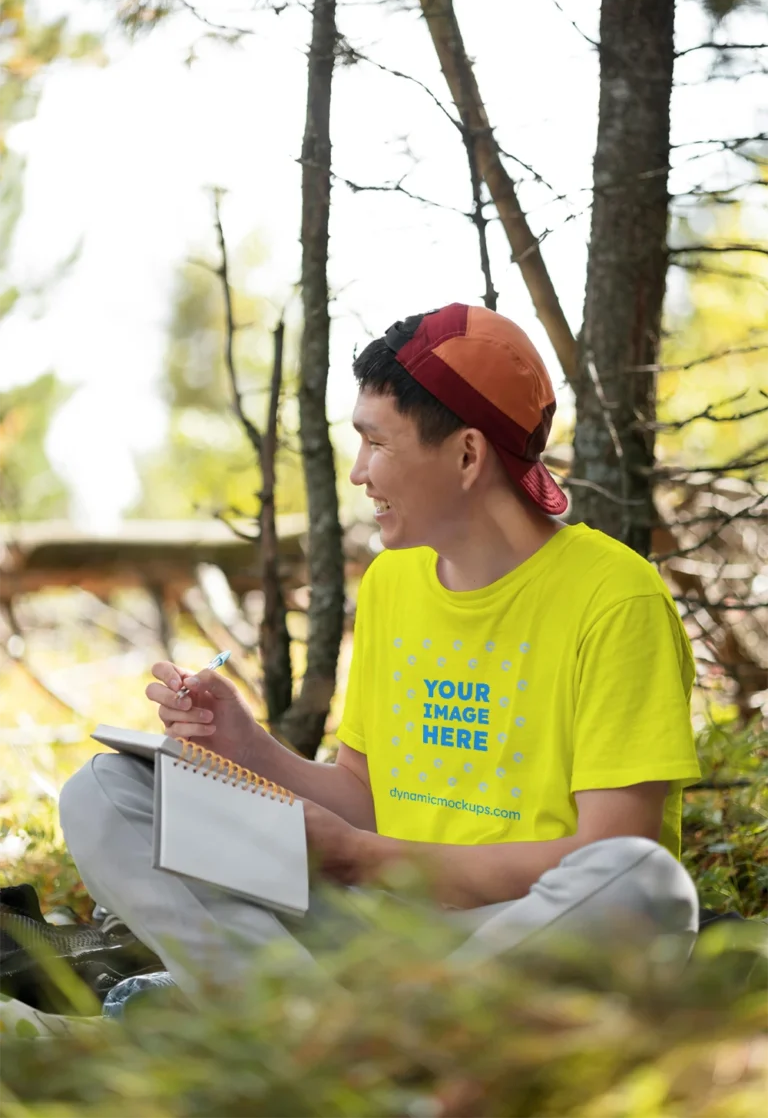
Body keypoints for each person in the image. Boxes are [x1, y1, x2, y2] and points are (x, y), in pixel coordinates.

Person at [60, 303, 701, 986]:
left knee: (641, 881)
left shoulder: (615, 599)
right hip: (372, 923)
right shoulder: (395, 578)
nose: (359, 472)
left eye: (378, 443)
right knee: (106, 792)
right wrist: (246, 747)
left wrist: (367, 859)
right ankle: (308, 1020)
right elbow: (366, 796)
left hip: (518, 933)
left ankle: (328, 1027)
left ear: (467, 454)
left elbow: (611, 849)